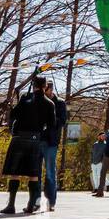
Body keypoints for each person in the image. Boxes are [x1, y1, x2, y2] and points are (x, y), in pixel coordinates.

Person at [1, 76, 57, 215]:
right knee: (33, 174)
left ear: (33, 85)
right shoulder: (50, 103)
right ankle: (31, 206)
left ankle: (11, 205)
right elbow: (51, 125)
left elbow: (14, 114)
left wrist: (16, 104)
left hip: (20, 137)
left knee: (15, 173)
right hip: (35, 139)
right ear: (45, 86)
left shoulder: (25, 98)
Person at [41, 81, 67, 210]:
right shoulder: (39, 101)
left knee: (50, 172)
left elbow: (62, 121)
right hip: (39, 139)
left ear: (50, 90)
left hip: (51, 141)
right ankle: (35, 201)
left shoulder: (60, 103)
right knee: (36, 172)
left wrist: (50, 117)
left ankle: (51, 202)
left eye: (46, 90)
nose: (45, 92)